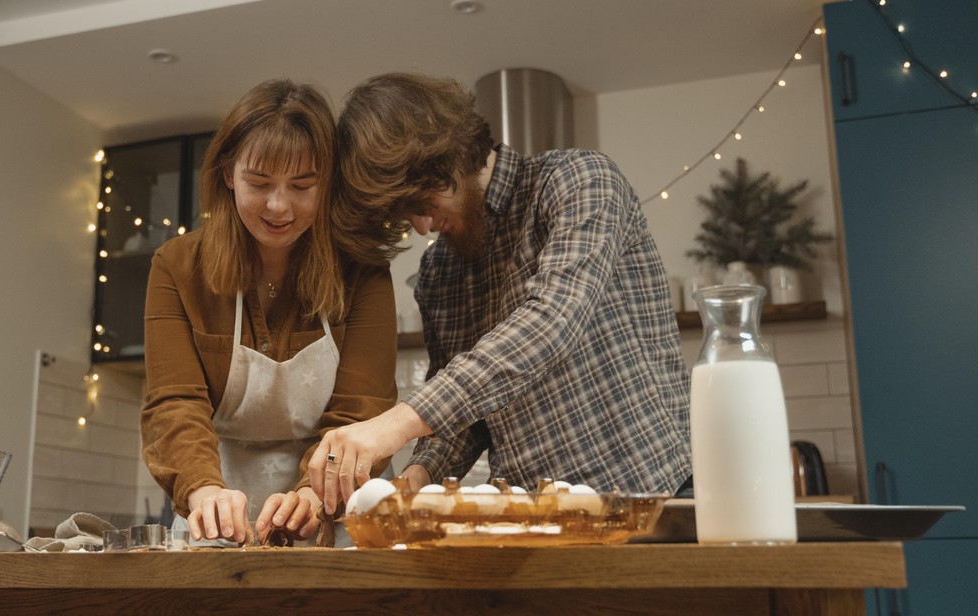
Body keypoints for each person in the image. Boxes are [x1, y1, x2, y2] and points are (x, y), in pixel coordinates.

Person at [311, 73, 692, 514]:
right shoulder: (439, 271)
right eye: (405, 216)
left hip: (650, 496)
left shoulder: (579, 181)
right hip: (530, 516)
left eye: (422, 204)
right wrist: (416, 477)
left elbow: (550, 322)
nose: (421, 228)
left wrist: (394, 424)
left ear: (449, 157)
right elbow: (464, 417)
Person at [141, 79, 397, 545]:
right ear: (226, 174)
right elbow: (175, 402)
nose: (279, 206)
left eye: (302, 186)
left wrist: (314, 494)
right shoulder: (176, 267)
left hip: (336, 505)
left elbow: (362, 408)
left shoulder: (362, 270)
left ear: (329, 184)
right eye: (259, 183)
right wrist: (204, 490)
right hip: (216, 508)